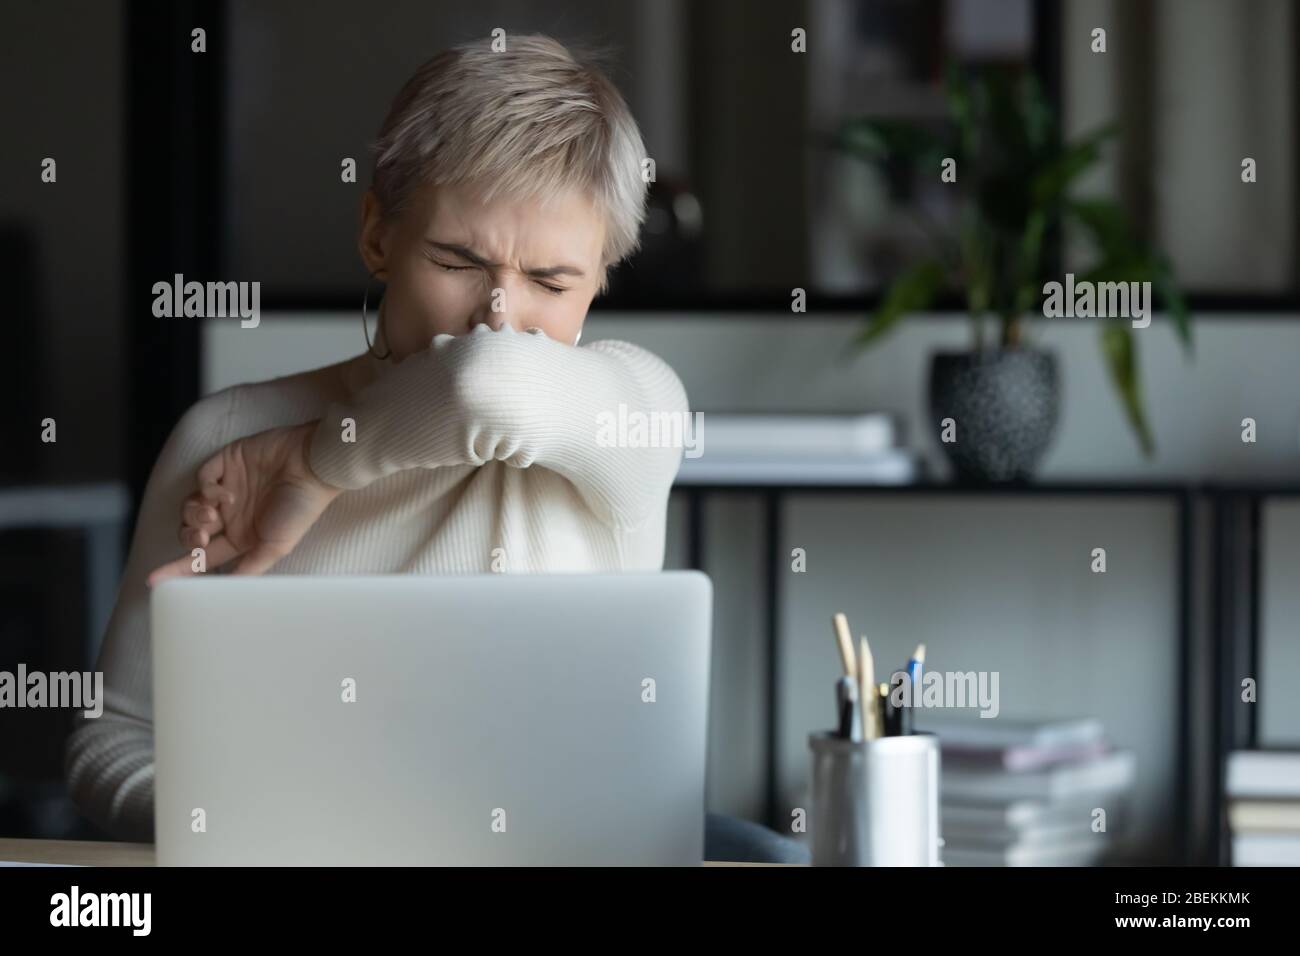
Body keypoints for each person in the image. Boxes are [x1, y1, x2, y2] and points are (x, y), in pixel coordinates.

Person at [65, 34, 806, 865]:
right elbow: (112, 742)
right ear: (377, 233)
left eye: (553, 282)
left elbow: (486, 383)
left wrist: (312, 463)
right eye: (457, 260)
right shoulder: (226, 438)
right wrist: (265, 830)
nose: (499, 315)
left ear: (604, 277)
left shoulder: (633, 416)